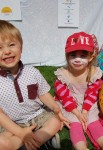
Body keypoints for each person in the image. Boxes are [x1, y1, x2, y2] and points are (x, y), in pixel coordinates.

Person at [0, 20, 69, 150]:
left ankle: (30, 143)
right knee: (2, 143)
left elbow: (43, 94)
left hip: (37, 115)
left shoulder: (32, 72)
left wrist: (57, 110)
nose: (7, 51)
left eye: (12, 45)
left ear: (21, 47)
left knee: (54, 122)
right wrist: (21, 132)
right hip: (12, 123)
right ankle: (39, 140)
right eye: (0, 48)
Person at [54, 32, 103, 150]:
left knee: (93, 122)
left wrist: (85, 112)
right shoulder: (63, 75)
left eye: (83, 56)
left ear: (91, 57)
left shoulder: (93, 73)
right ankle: (81, 148)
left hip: (88, 105)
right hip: (70, 106)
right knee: (75, 125)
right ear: (67, 56)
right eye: (73, 55)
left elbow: (92, 94)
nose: (78, 59)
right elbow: (65, 98)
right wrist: (78, 113)